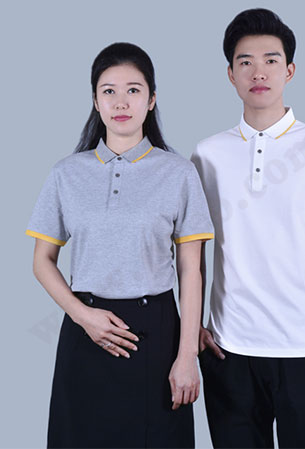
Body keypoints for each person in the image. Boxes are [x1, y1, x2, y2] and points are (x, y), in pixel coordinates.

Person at [191, 8, 305, 449]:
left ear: (289, 71)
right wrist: (192, 325)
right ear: (230, 74)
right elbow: (192, 253)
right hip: (228, 349)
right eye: (245, 61)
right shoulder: (208, 154)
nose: (259, 72)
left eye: (271, 60)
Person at [25, 42, 214, 449]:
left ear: (152, 99)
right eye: (108, 91)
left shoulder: (178, 173)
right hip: (84, 330)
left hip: (156, 334)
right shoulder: (66, 173)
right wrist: (82, 316)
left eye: (133, 90)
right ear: (95, 101)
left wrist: (186, 357)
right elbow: (42, 261)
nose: (121, 102)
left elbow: (191, 271)